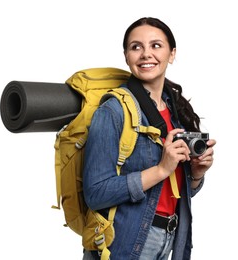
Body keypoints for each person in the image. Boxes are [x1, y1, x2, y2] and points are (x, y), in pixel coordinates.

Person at [82, 17, 216, 260]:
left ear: (172, 54)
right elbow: (95, 193)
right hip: (125, 240)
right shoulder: (113, 111)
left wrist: (196, 174)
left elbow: (171, 193)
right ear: (126, 56)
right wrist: (161, 169)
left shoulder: (176, 112)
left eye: (156, 46)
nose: (146, 54)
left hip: (168, 239)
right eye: (136, 47)